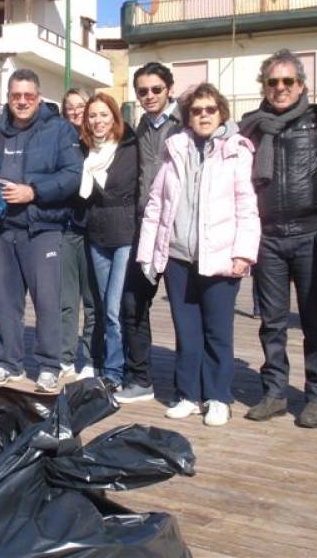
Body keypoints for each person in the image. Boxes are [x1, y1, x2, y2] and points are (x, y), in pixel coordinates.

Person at [137, 83, 260, 426]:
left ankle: (218, 396)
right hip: (179, 257)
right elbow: (157, 204)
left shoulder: (236, 150)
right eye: (196, 110)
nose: (203, 115)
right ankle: (188, 394)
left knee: (217, 332)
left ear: (221, 113)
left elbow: (247, 206)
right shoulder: (175, 148)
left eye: (210, 109)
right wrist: (148, 254)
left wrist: (243, 253)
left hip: (220, 257)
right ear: (188, 116)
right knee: (186, 331)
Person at [239, 49, 317, 427]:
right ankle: (275, 392)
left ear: (301, 85)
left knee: (314, 321)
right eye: (272, 82)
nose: (280, 88)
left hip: (310, 235)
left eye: (287, 81)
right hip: (269, 238)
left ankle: (316, 395)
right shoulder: (252, 125)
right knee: (272, 323)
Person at [0, 69, 82, 393]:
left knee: (48, 300)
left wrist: (34, 191)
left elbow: (73, 175)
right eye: (15, 95)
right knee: (5, 301)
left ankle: (50, 365)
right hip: (3, 229)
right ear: (7, 98)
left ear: (38, 97)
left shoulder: (59, 129)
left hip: (43, 228)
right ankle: (10, 363)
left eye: (28, 96)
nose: (22, 101)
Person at [116, 62, 183, 404]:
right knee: (133, 303)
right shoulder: (139, 127)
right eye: (142, 91)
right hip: (145, 227)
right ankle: (141, 378)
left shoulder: (188, 122)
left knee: (185, 312)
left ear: (169, 88)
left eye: (156, 89)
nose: (149, 96)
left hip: (181, 229)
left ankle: (189, 387)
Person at [78, 92, 138, 393]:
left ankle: (116, 372)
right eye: (92, 116)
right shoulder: (84, 150)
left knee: (114, 308)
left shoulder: (129, 145)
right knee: (102, 307)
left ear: (115, 117)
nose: (97, 121)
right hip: (97, 236)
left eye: (104, 114)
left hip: (125, 236)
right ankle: (105, 364)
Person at [59, 88, 102, 381]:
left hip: (95, 229)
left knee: (92, 300)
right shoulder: (60, 141)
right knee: (65, 298)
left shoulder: (99, 141)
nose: (76, 111)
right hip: (65, 227)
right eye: (70, 107)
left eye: (81, 106)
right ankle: (64, 356)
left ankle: (90, 356)